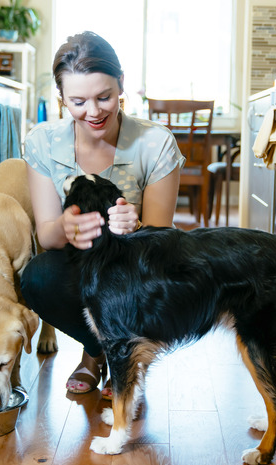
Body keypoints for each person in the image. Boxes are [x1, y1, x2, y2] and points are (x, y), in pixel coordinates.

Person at [20, 31, 183, 397]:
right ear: (60, 97)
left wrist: (138, 227)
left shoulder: (156, 143)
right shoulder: (43, 142)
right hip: (79, 270)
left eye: (104, 97)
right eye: (78, 101)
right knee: (37, 278)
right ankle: (97, 349)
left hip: (136, 272)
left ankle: (124, 354)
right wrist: (64, 227)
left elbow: (163, 245)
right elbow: (46, 236)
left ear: (122, 84)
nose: (93, 113)